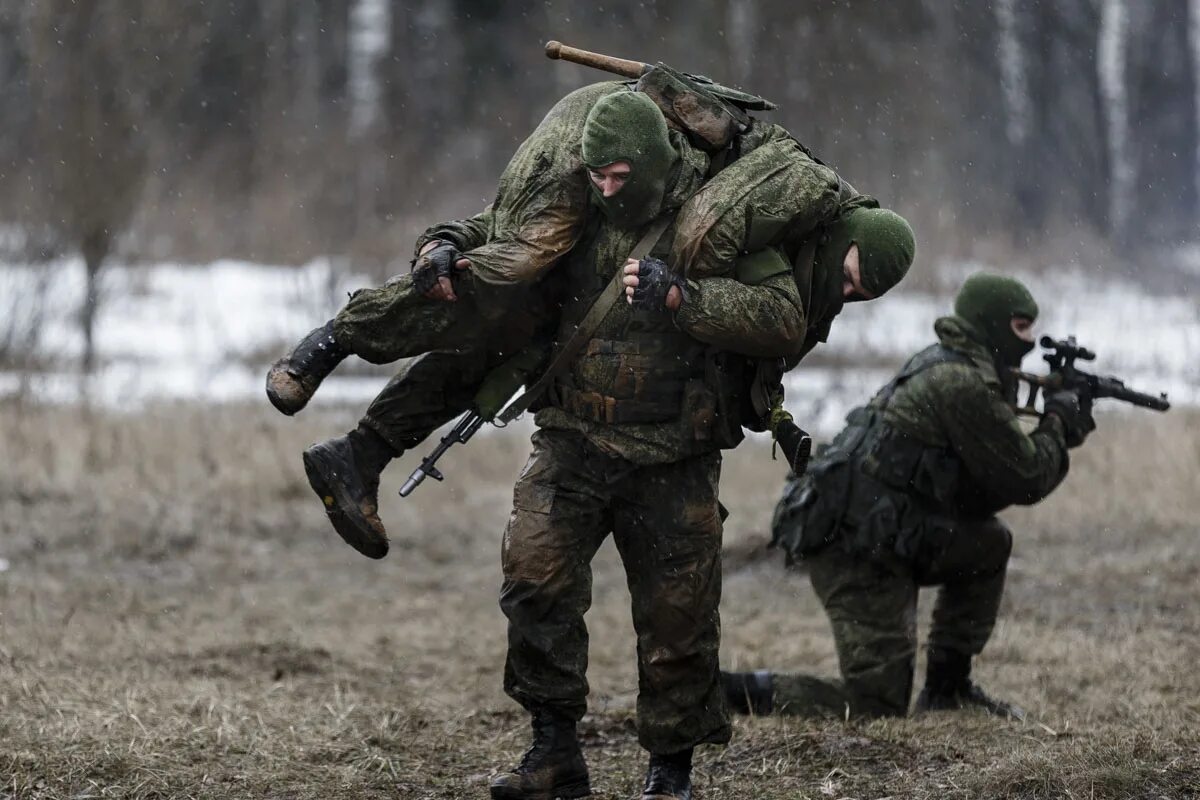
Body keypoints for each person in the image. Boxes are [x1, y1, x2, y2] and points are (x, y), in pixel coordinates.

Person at [265, 78, 916, 568]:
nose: (851, 290)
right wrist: (442, 244)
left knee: (506, 339)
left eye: (865, 292)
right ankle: (333, 346)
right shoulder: (748, 208)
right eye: (854, 272)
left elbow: (767, 342)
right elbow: (505, 227)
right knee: (499, 279)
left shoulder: (796, 266)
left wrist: (775, 417)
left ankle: (358, 454)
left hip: (645, 415)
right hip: (597, 393)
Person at [723, 272, 1097, 722]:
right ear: (990, 324)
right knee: (875, 705)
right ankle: (729, 693)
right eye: (1020, 328)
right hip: (852, 545)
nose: (1031, 341)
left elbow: (981, 490)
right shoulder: (959, 382)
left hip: (884, 530)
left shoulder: (951, 365)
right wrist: (1058, 423)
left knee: (987, 543)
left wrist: (1055, 427)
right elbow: (1026, 477)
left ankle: (948, 689)